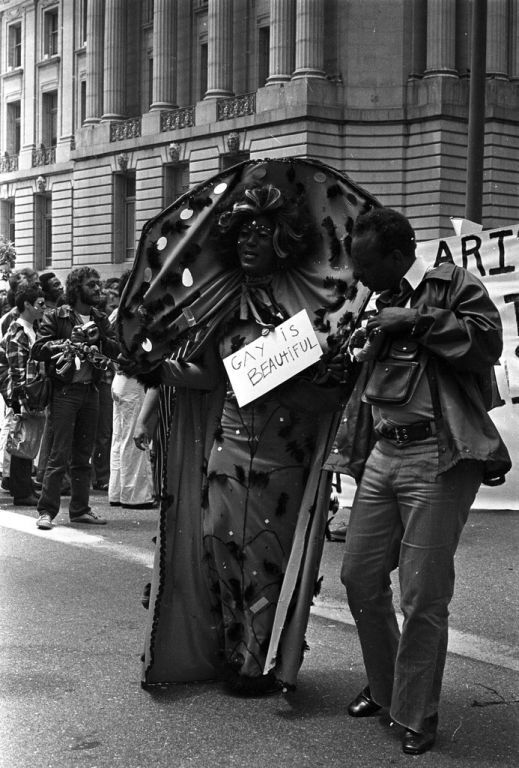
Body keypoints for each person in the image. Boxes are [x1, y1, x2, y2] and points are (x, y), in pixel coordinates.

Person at [120, 160, 378, 694]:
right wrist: (156, 367)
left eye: (260, 233)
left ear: (282, 239)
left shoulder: (302, 302)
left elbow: (325, 376)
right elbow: (208, 376)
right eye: (241, 235)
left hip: (286, 454)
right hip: (229, 449)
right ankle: (232, 653)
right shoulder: (222, 304)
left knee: (266, 557)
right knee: (222, 549)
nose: (248, 244)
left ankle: (260, 661)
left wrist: (311, 368)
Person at [331, 207, 511, 755]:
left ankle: (415, 711)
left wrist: (416, 321)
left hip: (439, 454)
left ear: (398, 253)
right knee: (360, 577)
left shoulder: (452, 283)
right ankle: (387, 689)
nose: (358, 277)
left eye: (366, 266)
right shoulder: (372, 300)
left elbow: (488, 344)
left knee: (423, 595)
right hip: (384, 451)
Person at [31, 267, 120, 530]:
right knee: (59, 455)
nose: (98, 289)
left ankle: (80, 509)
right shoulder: (57, 316)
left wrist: (100, 343)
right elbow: (38, 349)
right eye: (91, 285)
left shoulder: (100, 318)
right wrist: (66, 341)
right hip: (65, 393)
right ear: (77, 288)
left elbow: (116, 349)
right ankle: (46, 511)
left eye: (98, 284)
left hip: (90, 391)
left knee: (84, 456)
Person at [108, 271, 155, 509]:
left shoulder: (118, 314)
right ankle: (136, 495)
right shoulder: (138, 314)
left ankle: (117, 491)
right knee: (133, 439)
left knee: (120, 438)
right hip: (133, 381)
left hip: (120, 380)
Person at [3, 284, 46, 505]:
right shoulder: (18, 330)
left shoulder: (33, 328)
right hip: (21, 393)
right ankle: (21, 491)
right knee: (20, 439)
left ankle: (25, 487)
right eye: (39, 303)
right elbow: (17, 368)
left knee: (27, 439)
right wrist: (21, 399)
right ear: (27, 304)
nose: (43, 307)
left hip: (29, 391)